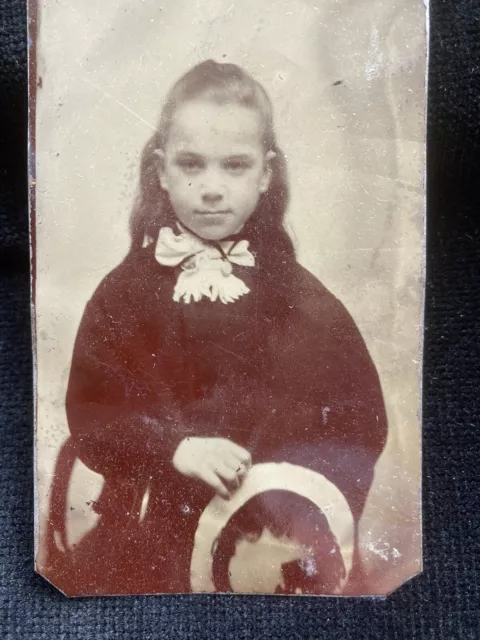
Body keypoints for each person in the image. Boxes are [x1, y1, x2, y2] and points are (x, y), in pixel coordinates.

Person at [42, 59, 388, 596]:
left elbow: (357, 422)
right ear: (160, 170)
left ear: (266, 173)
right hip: (147, 540)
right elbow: (93, 415)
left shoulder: (302, 299)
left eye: (234, 166)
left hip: (267, 548)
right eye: (191, 165)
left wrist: (286, 503)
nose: (211, 188)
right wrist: (174, 448)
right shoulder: (124, 294)